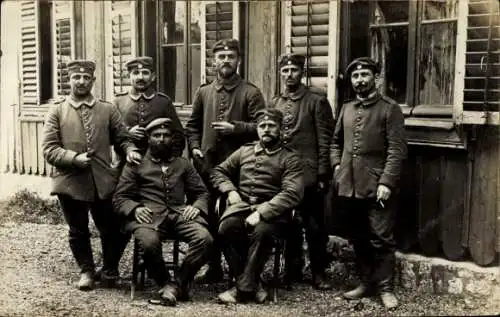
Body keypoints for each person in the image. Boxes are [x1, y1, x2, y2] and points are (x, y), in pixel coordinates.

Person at [42, 60, 142, 290]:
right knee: (78, 230)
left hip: (103, 180)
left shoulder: (107, 109)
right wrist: (73, 159)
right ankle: (86, 271)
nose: (81, 82)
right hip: (70, 181)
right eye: (76, 77)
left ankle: (108, 269)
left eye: (86, 78)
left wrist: (130, 150)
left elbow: (123, 138)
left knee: (113, 227)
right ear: (69, 80)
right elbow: (49, 148)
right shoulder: (57, 110)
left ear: (93, 81)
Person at [186, 39, 266, 282]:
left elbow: (263, 127)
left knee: (233, 219)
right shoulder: (204, 92)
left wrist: (236, 128)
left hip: (238, 170)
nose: (226, 60)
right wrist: (195, 148)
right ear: (214, 61)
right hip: (206, 167)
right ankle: (213, 268)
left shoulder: (250, 92)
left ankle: (238, 271)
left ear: (238, 60)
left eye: (230, 56)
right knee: (208, 216)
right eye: (221, 56)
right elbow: (192, 127)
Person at [331, 57, 407, 309]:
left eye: (365, 74)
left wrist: (386, 181)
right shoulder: (347, 108)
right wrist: (336, 166)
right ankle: (366, 283)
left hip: (377, 186)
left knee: (381, 237)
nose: (360, 80)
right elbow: (335, 142)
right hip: (350, 184)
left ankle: (386, 288)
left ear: (377, 78)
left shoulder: (389, 108)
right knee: (358, 236)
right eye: (355, 76)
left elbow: (397, 150)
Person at [113, 118, 213, 306]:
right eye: (156, 135)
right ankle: (164, 282)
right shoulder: (136, 164)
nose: (161, 139)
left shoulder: (183, 164)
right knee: (149, 243)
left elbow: (202, 193)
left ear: (173, 139)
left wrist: (196, 206)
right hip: (148, 217)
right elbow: (120, 198)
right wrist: (135, 209)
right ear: (149, 139)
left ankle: (177, 283)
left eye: (166, 135)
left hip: (179, 214)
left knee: (205, 239)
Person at [211, 109, 304, 304]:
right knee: (225, 228)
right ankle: (254, 284)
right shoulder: (245, 150)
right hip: (242, 207)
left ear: (280, 130)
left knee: (261, 232)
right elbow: (219, 171)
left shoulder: (290, 158)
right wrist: (230, 191)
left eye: (271, 126)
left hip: (275, 214)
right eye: (262, 126)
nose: (266, 130)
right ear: (257, 130)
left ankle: (242, 289)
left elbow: (292, 193)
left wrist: (262, 212)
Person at [268, 53, 334, 289]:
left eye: (294, 70)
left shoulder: (316, 100)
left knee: (314, 225)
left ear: (302, 73)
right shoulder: (275, 102)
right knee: (288, 222)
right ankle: (292, 269)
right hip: (283, 174)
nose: (289, 75)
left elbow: (325, 140)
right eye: (285, 71)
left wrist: (323, 175)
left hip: (309, 174)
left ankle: (318, 273)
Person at [113, 56, 185, 166]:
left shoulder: (163, 102)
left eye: (145, 73)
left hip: (158, 166)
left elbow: (178, 136)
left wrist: (171, 162)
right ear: (129, 76)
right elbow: (111, 135)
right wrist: (127, 133)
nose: (140, 77)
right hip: (126, 164)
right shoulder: (119, 101)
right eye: (136, 73)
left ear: (153, 76)